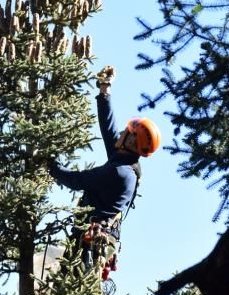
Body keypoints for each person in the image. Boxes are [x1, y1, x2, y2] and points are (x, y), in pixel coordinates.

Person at [47, 66, 161, 275]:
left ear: (132, 141)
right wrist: (104, 90)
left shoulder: (119, 172)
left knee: (74, 282)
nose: (122, 132)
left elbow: (77, 180)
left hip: (90, 245)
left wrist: (50, 165)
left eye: (128, 132)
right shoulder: (126, 161)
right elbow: (108, 129)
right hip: (89, 239)